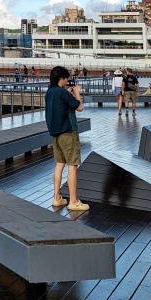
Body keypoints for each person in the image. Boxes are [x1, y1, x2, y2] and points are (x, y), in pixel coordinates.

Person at [45, 66, 89, 212]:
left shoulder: (50, 92)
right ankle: (73, 201)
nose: (68, 81)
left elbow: (61, 104)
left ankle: (56, 198)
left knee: (59, 164)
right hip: (68, 133)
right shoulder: (62, 92)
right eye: (67, 79)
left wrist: (68, 93)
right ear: (62, 78)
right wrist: (77, 93)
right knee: (72, 165)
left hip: (55, 134)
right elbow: (80, 107)